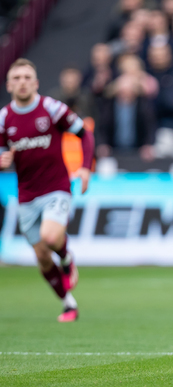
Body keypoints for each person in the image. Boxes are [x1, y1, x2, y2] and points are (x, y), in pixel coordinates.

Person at [0, 58, 95, 322]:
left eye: (27, 77)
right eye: (16, 78)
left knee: (51, 237)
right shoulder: (4, 118)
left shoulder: (51, 108)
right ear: (9, 85)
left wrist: (86, 168)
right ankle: (69, 303)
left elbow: (84, 134)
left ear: (36, 83)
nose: (22, 82)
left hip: (56, 188)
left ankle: (66, 258)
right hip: (27, 195)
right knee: (42, 258)